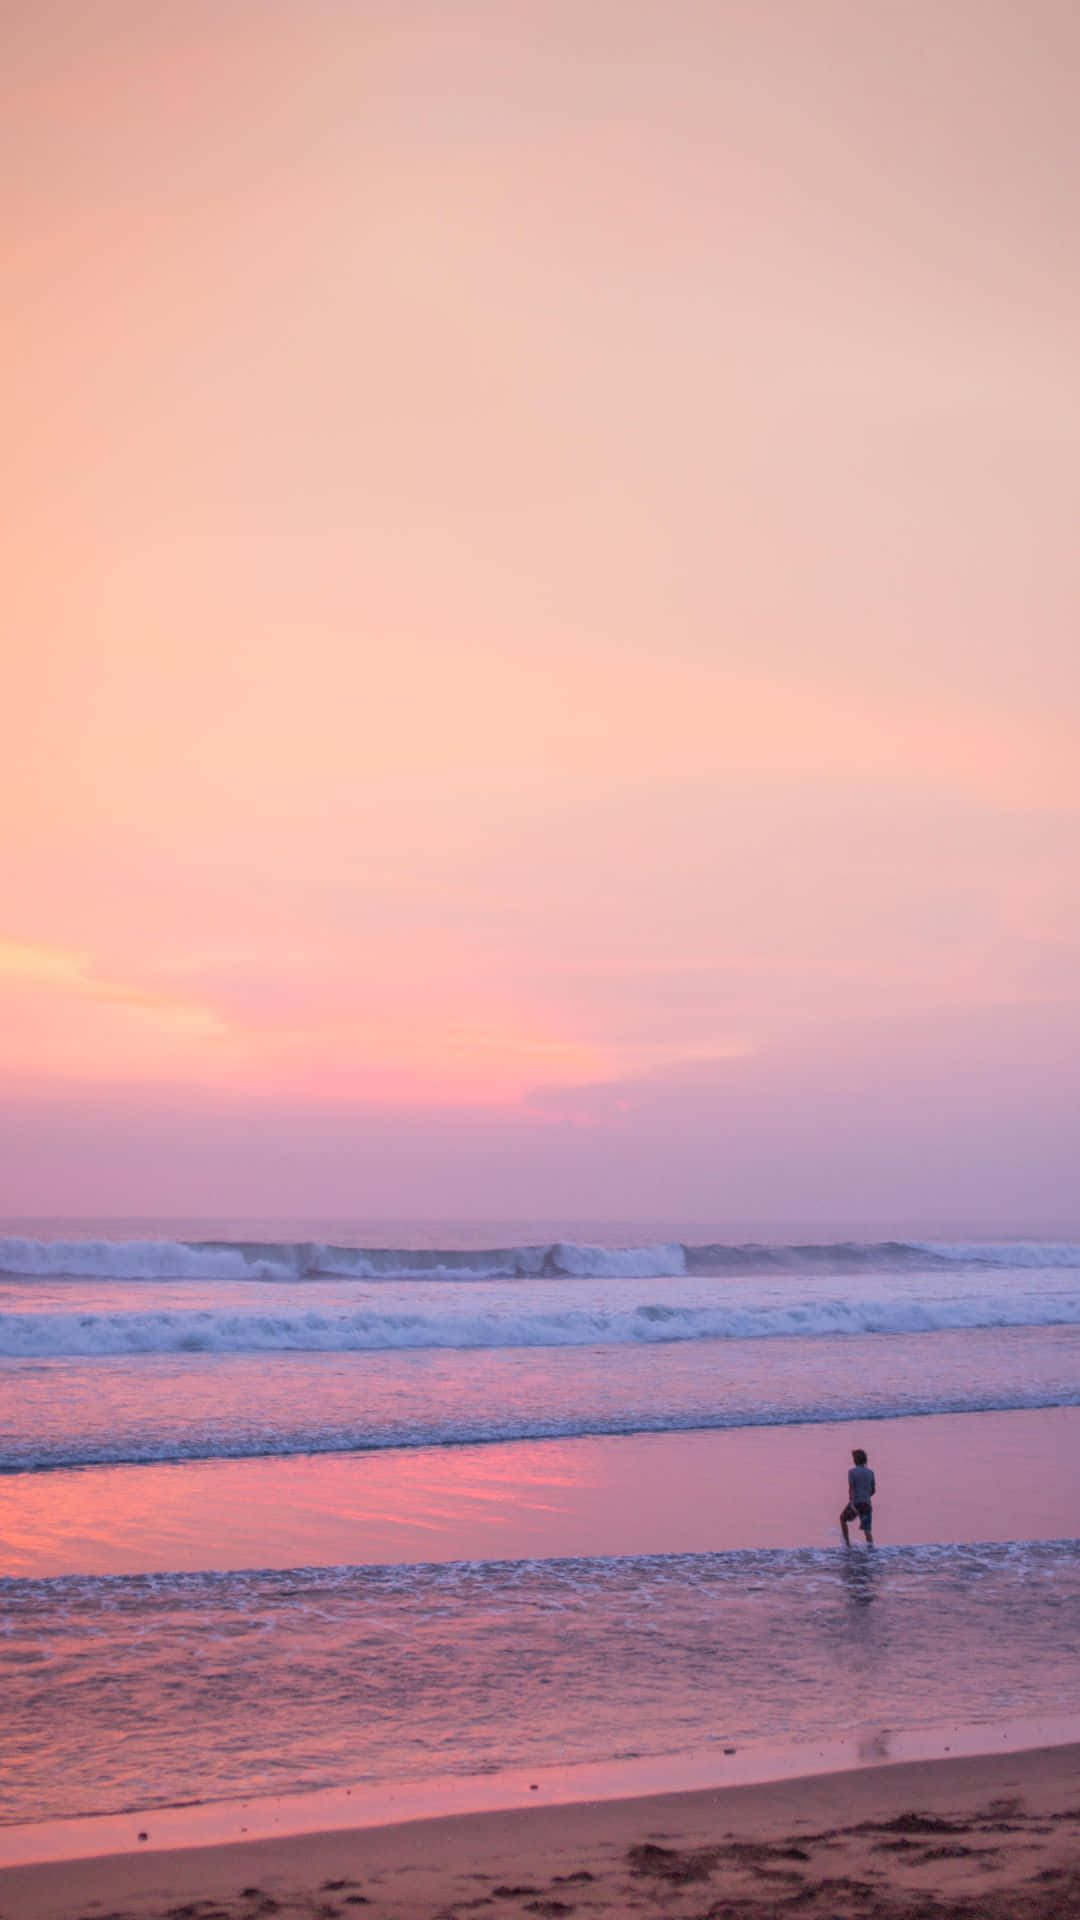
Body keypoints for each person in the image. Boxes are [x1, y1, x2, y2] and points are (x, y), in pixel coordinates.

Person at [840, 1448, 876, 1546]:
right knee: (867, 1531)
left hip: (856, 1503)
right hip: (867, 1504)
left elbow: (851, 1489)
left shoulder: (852, 1472)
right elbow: (873, 1490)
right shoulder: (871, 1472)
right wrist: (865, 1496)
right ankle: (872, 1552)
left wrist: (852, 1502)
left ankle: (847, 1545)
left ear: (855, 1460)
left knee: (842, 1518)